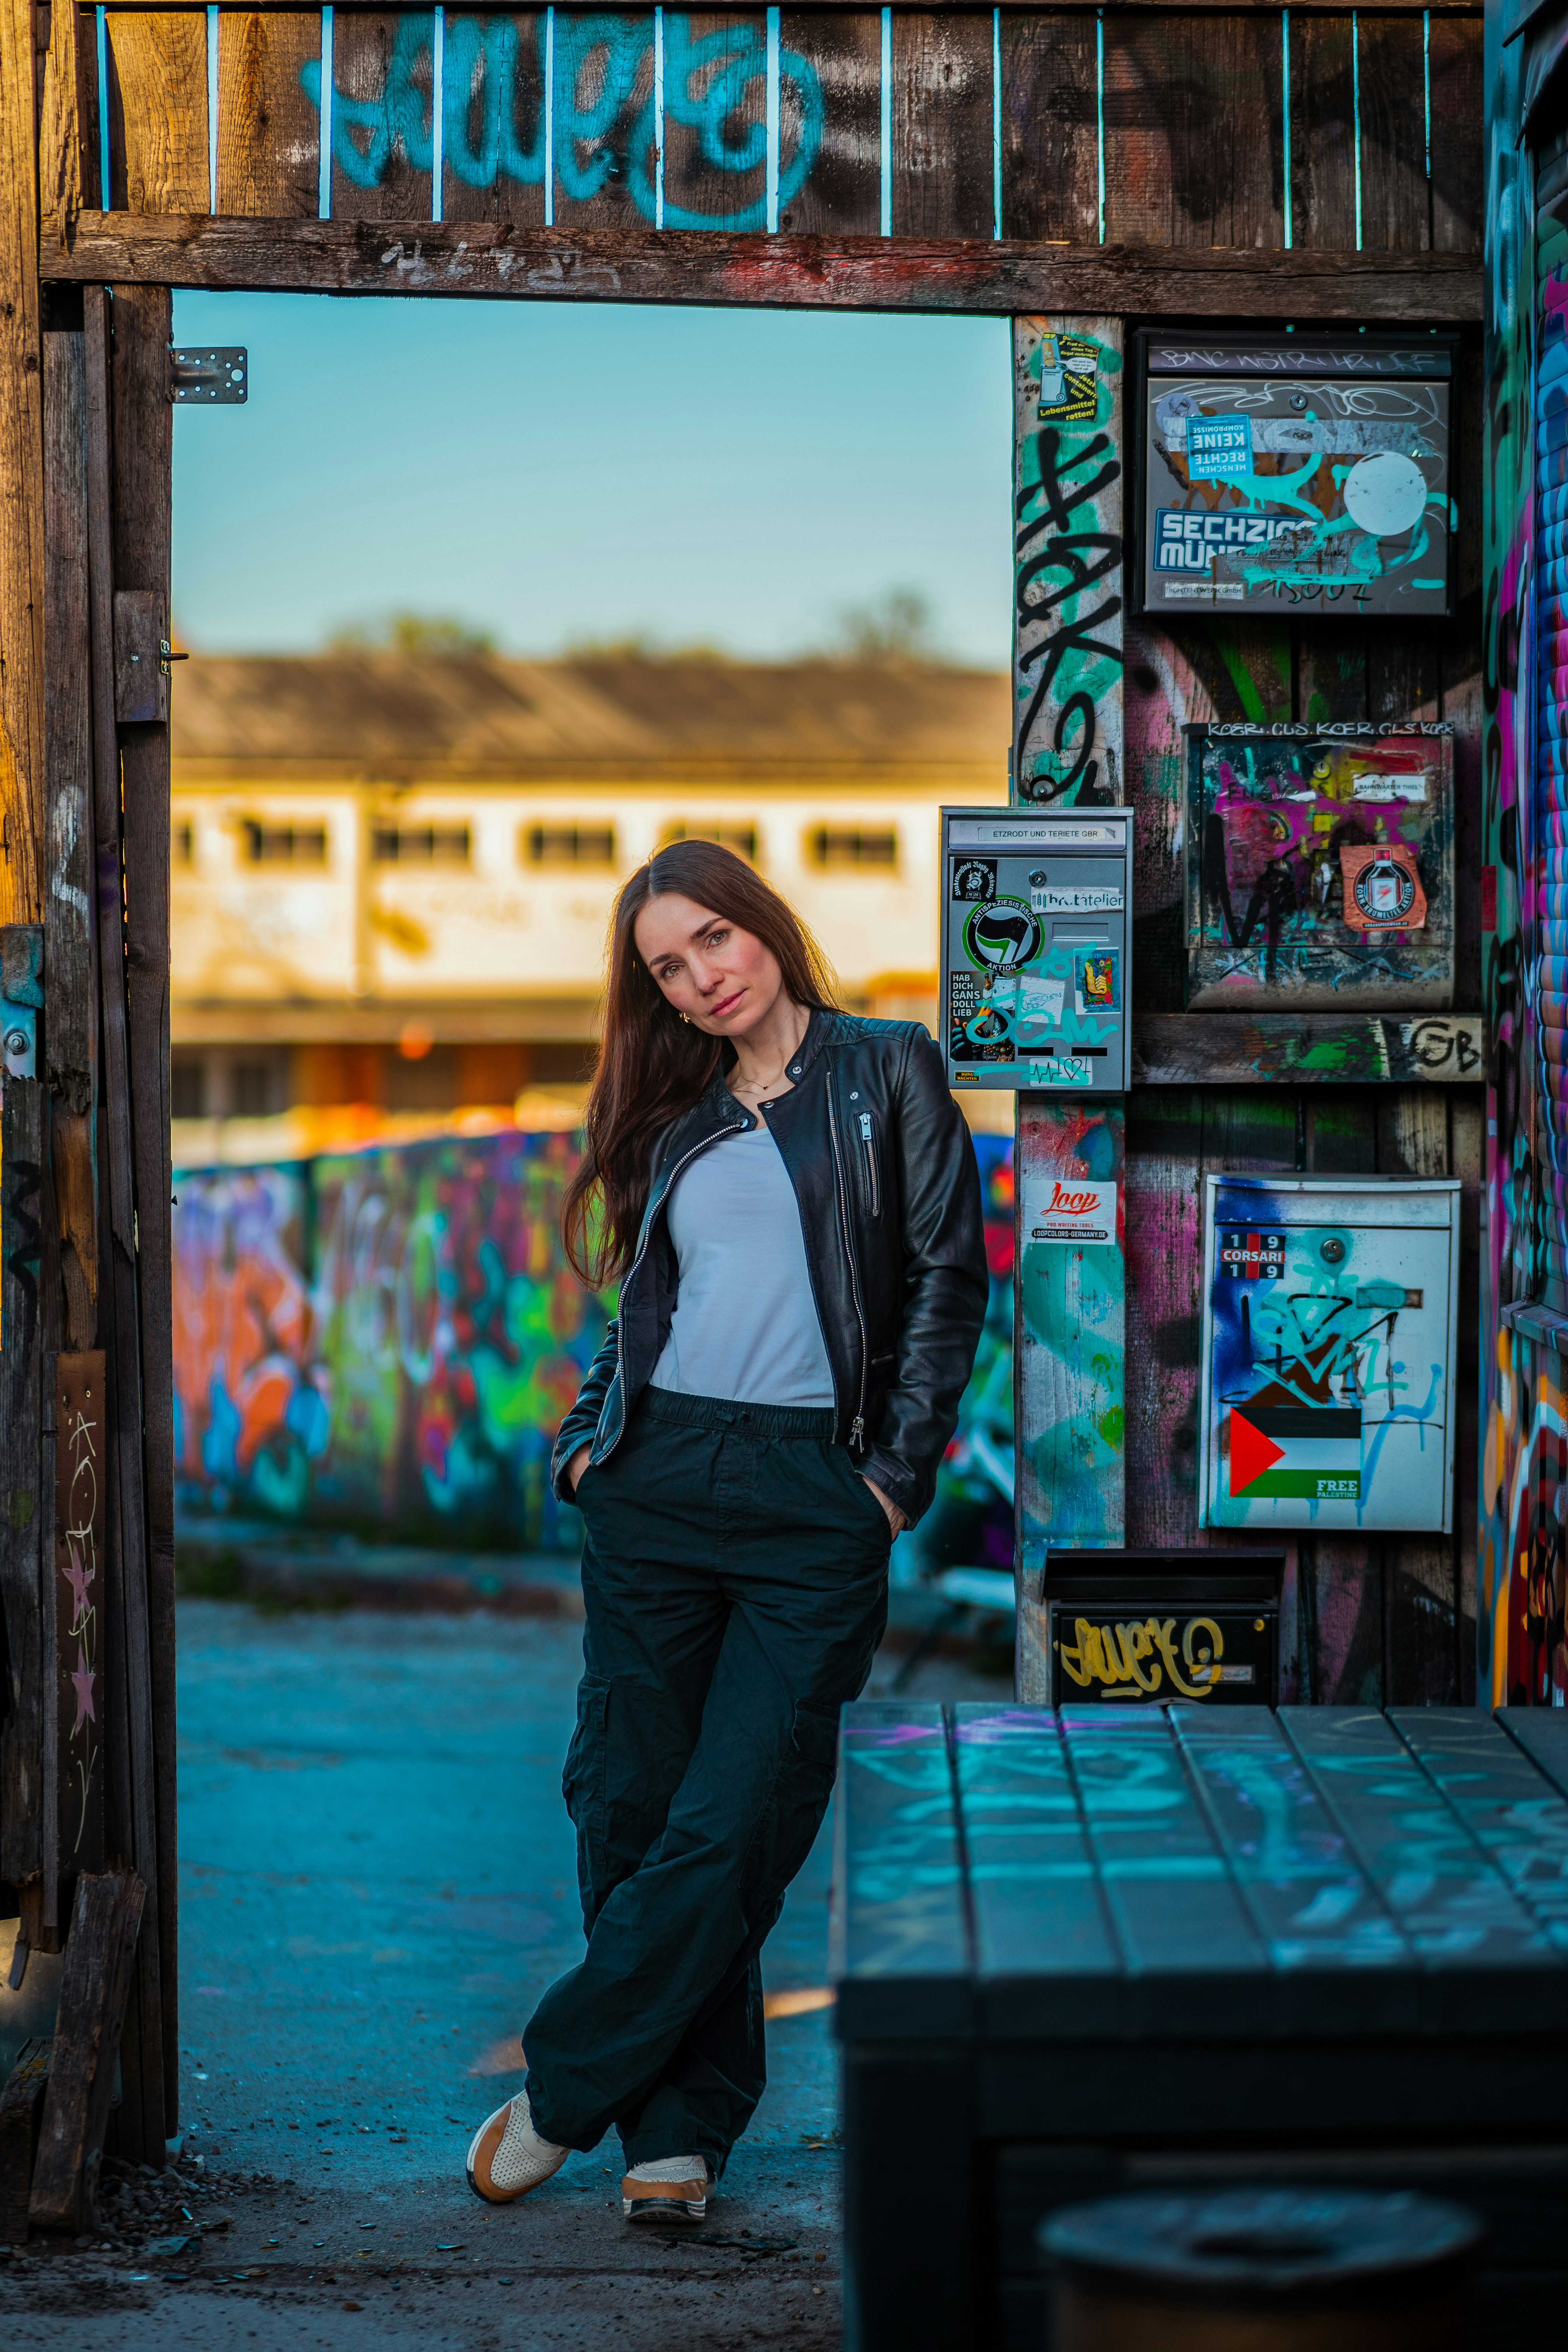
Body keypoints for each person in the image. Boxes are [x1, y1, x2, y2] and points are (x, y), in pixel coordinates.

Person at [465, 840, 988, 2223]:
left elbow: (946, 1279)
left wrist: (890, 1484)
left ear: (762, 924)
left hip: (817, 1495)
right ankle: (671, 2140)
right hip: (660, 1476)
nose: (699, 977)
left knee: (738, 1808)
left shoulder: (888, 1070)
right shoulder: (674, 1112)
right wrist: (590, 1443)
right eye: (665, 966)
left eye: (713, 940)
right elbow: (646, 1303)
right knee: (630, 1802)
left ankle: (564, 2086)